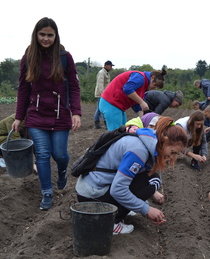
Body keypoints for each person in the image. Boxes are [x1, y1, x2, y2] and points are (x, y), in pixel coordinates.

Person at [12, 17, 81, 210]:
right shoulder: (29, 57)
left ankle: (61, 172)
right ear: (36, 35)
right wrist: (19, 117)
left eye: (50, 35)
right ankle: (47, 193)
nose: (46, 38)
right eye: (42, 34)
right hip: (36, 114)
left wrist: (76, 112)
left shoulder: (64, 57)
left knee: (60, 154)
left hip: (60, 115)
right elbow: (23, 89)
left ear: (56, 36)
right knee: (42, 154)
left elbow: (74, 86)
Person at [75, 117, 188, 234]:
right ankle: (112, 222)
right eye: (173, 152)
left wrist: (139, 203)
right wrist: (147, 209)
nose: (171, 157)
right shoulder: (139, 151)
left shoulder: (147, 140)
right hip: (92, 195)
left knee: (151, 177)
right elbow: (118, 189)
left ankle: (122, 208)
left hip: (93, 187)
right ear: (165, 140)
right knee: (152, 181)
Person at [99, 68, 167, 131]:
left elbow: (137, 105)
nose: (154, 89)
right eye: (155, 85)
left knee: (123, 131)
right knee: (115, 134)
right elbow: (127, 89)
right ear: (152, 78)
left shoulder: (143, 88)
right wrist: (142, 102)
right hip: (111, 103)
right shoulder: (140, 77)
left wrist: (142, 122)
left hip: (119, 107)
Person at [94, 60, 114, 129]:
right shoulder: (102, 73)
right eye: (110, 66)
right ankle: (101, 123)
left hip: (104, 94)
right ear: (106, 65)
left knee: (100, 109)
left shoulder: (106, 73)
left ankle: (98, 123)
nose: (111, 67)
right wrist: (103, 94)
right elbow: (100, 84)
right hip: (101, 94)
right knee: (102, 109)